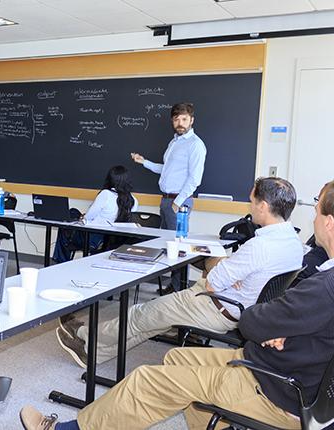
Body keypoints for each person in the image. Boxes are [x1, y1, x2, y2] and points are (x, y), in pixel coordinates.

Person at [20, 174, 334, 430]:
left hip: (277, 389)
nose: (312, 215)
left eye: (317, 209)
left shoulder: (332, 284)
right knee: (176, 356)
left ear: (329, 223)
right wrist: (284, 330)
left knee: (148, 379)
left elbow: (252, 323)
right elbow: (305, 322)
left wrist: (276, 328)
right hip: (297, 376)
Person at [57, 177, 303, 368]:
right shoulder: (293, 243)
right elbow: (237, 275)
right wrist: (231, 272)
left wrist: (218, 263)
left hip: (215, 306)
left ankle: (84, 334)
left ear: (263, 205)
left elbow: (212, 282)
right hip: (239, 305)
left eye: (252, 201)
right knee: (153, 320)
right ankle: (94, 353)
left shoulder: (260, 246)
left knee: (141, 313)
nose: (250, 206)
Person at [131, 102, 205, 292]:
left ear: (191, 120)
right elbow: (167, 170)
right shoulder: (174, 142)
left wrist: (177, 203)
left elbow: (194, 179)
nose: (180, 123)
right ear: (172, 121)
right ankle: (172, 286)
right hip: (166, 199)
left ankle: (178, 289)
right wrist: (144, 162)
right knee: (168, 245)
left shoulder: (195, 145)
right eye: (176, 119)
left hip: (177, 202)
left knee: (179, 247)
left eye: (184, 119)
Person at [53, 166, 139, 263]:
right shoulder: (133, 200)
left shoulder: (105, 194)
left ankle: (60, 262)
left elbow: (88, 217)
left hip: (95, 239)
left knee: (66, 223)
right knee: (73, 213)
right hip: (115, 241)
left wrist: (83, 217)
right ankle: (60, 261)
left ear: (110, 179)